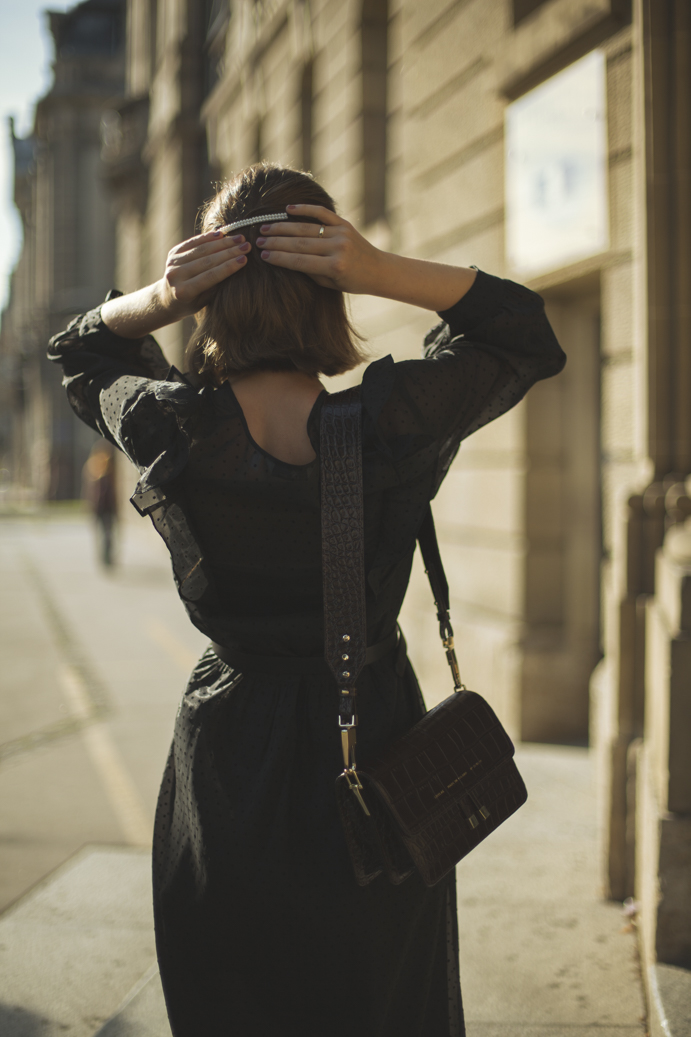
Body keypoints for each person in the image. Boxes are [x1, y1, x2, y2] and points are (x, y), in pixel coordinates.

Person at [48, 162, 565, 1037]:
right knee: (380, 998)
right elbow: (520, 332)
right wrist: (372, 266)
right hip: (376, 745)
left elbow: (80, 347)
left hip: (231, 752)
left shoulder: (175, 429)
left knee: (235, 999)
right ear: (328, 296)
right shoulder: (391, 425)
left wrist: (165, 295)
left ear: (214, 301)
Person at [82, 440, 118, 566]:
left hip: (103, 507)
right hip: (102, 507)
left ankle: (106, 556)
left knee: (106, 533)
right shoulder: (96, 468)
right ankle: (105, 556)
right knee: (105, 533)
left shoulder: (103, 469)